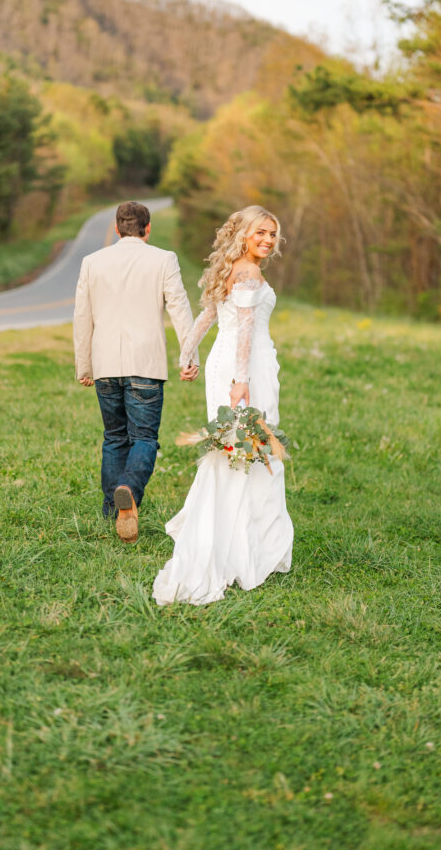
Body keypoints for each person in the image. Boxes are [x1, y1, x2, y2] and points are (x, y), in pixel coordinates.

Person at [152, 205, 293, 605]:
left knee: (233, 448)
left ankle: (230, 529)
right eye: (260, 233)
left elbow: (207, 316)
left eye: (272, 234)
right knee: (250, 446)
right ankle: (245, 544)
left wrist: (186, 354)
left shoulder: (231, 268)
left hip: (225, 362)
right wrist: (242, 381)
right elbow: (245, 328)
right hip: (242, 368)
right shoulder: (247, 273)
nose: (267, 240)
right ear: (244, 233)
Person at [73, 201, 198, 543]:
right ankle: (128, 488)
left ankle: (112, 513)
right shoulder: (163, 259)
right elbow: (180, 309)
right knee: (144, 438)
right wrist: (189, 356)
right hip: (146, 364)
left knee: (114, 437)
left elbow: (82, 317)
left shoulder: (92, 262)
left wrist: (84, 365)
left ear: (116, 229)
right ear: (148, 228)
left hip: (105, 364)